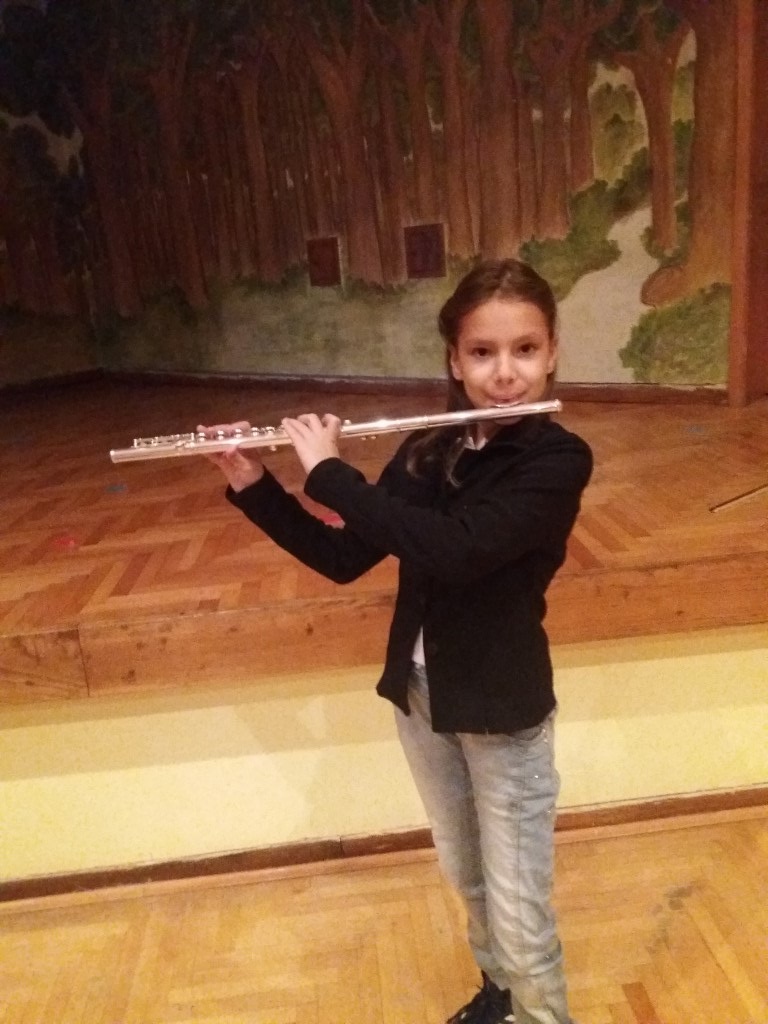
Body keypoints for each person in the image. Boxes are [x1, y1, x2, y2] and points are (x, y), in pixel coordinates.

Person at [200, 258, 592, 1024]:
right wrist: (254, 481)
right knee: (468, 878)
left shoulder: (556, 461)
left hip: (500, 710)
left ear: (551, 353)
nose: (504, 372)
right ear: (454, 360)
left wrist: (331, 473)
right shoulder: (428, 450)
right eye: (482, 352)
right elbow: (345, 556)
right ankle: (501, 999)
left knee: (520, 911)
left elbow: (456, 550)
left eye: (524, 350)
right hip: (421, 700)